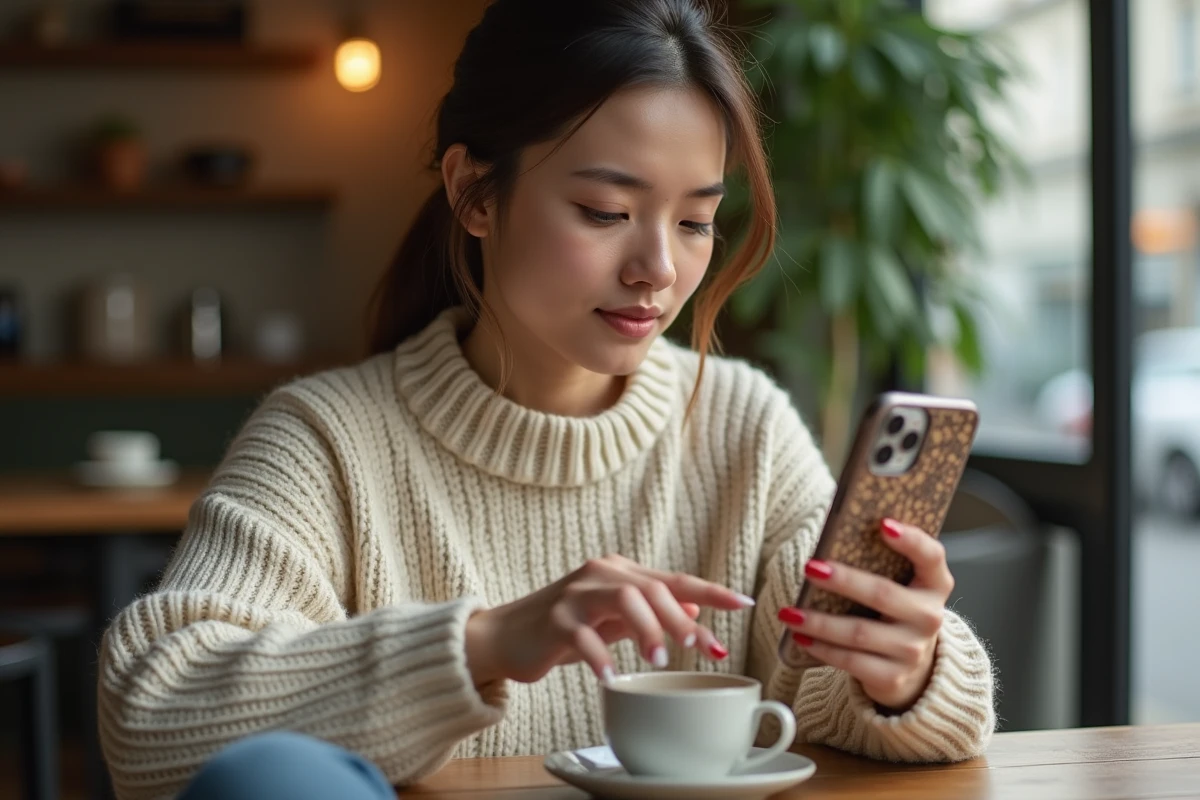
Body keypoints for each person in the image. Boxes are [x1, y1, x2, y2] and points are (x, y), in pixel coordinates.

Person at [97, 1, 995, 797]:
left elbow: (829, 703)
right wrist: (482, 644)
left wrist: (904, 672)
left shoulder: (743, 428)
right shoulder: (327, 440)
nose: (658, 269)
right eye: (606, 211)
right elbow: (149, 715)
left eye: (695, 222)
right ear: (474, 192)